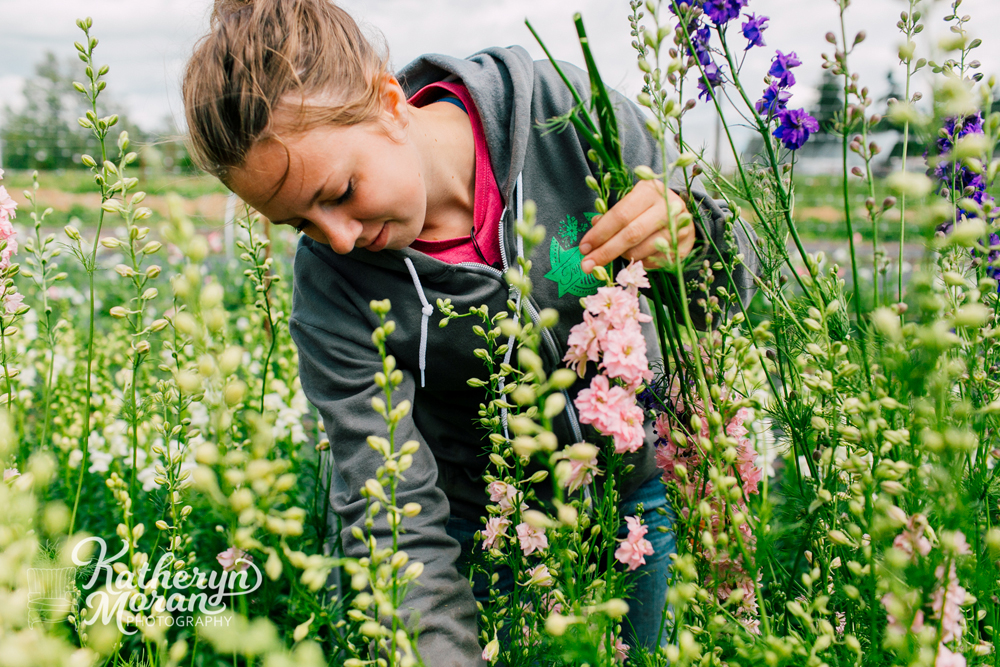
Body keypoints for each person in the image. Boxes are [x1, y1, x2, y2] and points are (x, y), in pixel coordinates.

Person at [182, 1, 758, 664]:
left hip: (630, 508)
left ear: (389, 101)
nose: (336, 238)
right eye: (300, 224)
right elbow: (392, 516)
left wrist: (692, 234)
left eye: (339, 190)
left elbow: (727, 298)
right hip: (479, 539)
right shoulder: (331, 285)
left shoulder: (564, 116)